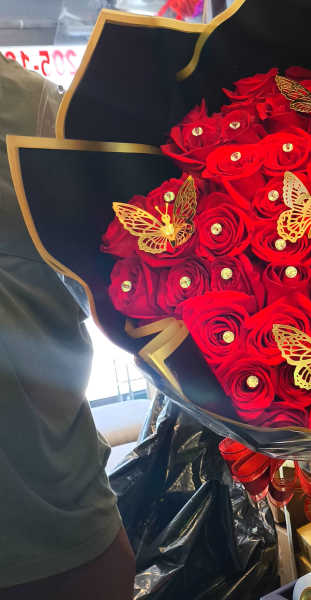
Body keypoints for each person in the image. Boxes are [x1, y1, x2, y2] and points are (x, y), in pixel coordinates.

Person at [0, 55, 135, 599]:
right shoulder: (33, 108)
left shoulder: (33, 111)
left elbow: (139, 289)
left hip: (57, 532)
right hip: (60, 530)